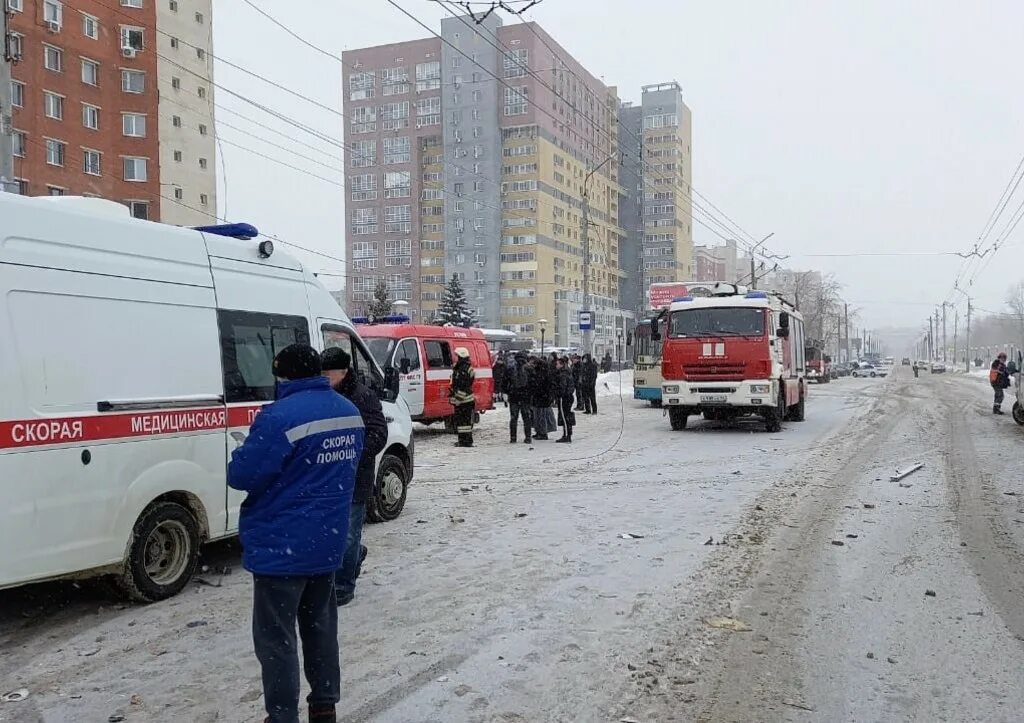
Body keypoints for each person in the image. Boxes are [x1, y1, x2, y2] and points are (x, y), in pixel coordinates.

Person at [228, 344, 365, 723]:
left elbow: (242, 476)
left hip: (282, 546)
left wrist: (243, 451)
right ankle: (324, 707)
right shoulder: (348, 411)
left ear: (285, 375)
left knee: (276, 640)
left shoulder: (279, 417)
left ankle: (282, 715)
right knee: (320, 630)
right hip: (326, 542)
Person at [321, 347, 389, 607]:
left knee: (347, 534)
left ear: (344, 371)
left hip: (354, 478)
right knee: (332, 533)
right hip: (327, 478)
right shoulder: (323, 396)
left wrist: (351, 454)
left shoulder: (362, 396)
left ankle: (343, 586)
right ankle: (354, 555)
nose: (325, 378)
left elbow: (378, 434)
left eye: (329, 374)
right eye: (321, 373)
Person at [450, 347, 476, 446]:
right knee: (464, 422)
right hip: (467, 399)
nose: (456, 358)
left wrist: (458, 399)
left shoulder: (462, 369)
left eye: (457, 356)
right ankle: (464, 440)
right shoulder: (466, 367)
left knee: (463, 422)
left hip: (464, 400)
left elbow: (464, 385)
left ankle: (465, 441)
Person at [507, 352, 533, 443]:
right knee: (526, 417)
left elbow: (505, 382)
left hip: (514, 396)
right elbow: (533, 383)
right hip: (525, 397)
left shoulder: (510, 369)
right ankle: (528, 437)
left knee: (514, 418)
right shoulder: (529, 369)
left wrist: (507, 392)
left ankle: (513, 438)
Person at [529, 355, 554, 440]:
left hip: (542, 398)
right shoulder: (542, 373)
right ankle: (539, 431)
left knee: (541, 416)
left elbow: (542, 386)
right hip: (540, 397)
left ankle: (542, 433)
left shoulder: (542, 374)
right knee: (538, 416)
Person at [553, 356, 576, 443]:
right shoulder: (567, 372)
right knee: (566, 416)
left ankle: (567, 435)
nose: (556, 365)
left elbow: (563, 386)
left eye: (557, 364)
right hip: (567, 397)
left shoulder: (563, 374)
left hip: (564, 398)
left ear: (562, 365)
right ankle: (567, 434)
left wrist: (559, 394)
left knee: (564, 416)